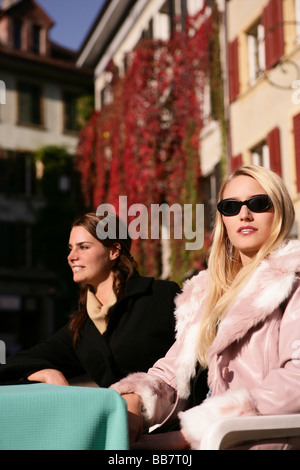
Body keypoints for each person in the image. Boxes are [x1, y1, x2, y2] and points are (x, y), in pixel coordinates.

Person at [111, 165, 300, 450]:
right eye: (231, 207)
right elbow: (174, 372)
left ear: (281, 210)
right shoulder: (207, 292)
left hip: (255, 441)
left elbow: (295, 381)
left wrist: (188, 435)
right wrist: (135, 403)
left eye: (259, 204)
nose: (244, 215)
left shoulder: (293, 282)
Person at [0, 212, 180, 387]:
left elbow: (199, 357)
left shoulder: (161, 296)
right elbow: (14, 363)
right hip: (118, 417)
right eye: (71, 248)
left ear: (113, 251)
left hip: (176, 414)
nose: (71, 257)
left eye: (83, 247)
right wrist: (46, 373)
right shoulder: (82, 328)